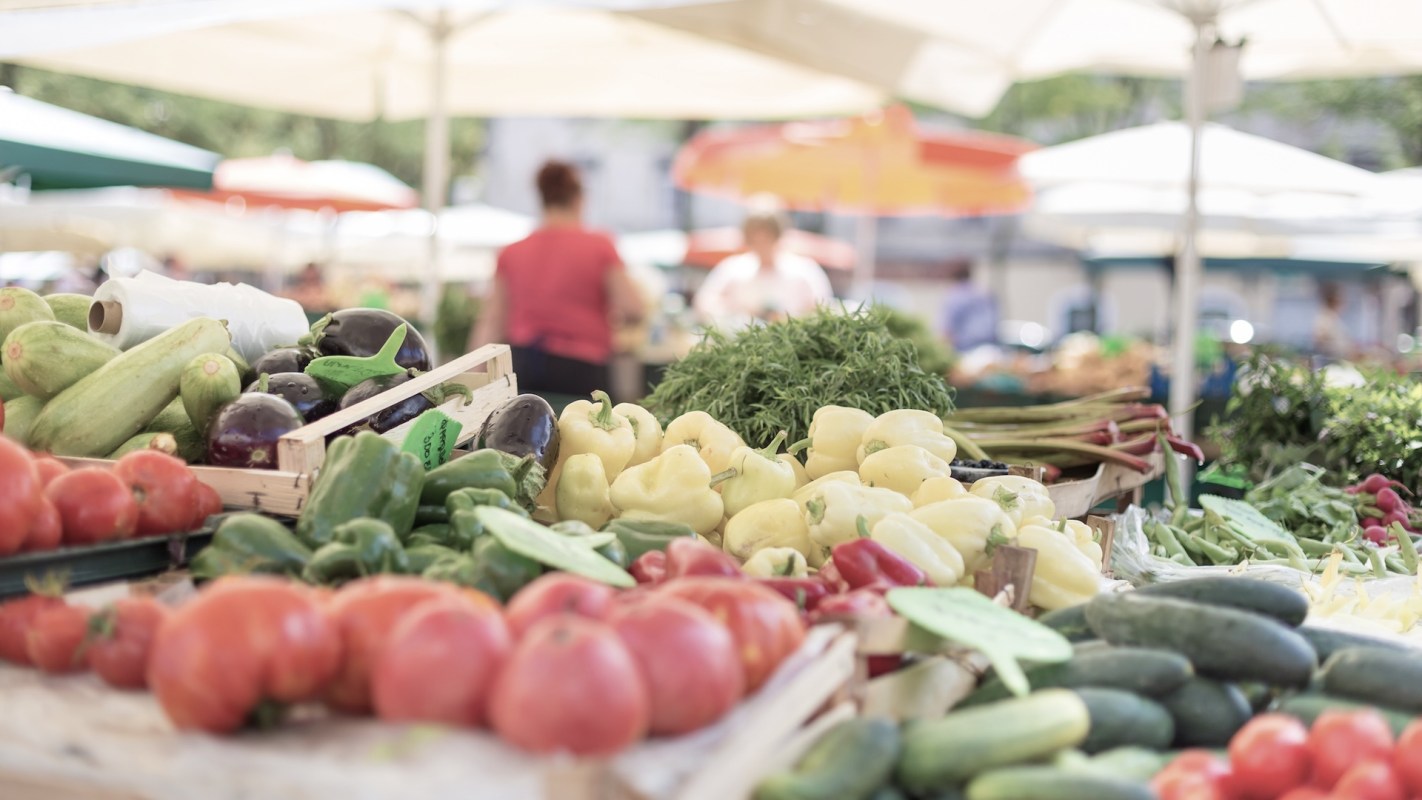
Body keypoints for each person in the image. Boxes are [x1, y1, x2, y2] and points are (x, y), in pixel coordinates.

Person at [470, 159, 643, 396]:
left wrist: (474, 380)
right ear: (578, 199)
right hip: (583, 369)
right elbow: (633, 308)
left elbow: (491, 322)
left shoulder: (512, 252)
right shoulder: (600, 246)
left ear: (542, 198)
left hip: (524, 365)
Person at [692, 200, 834, 326]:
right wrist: (737, 310)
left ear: (778, 235)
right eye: (755, 238)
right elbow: (704, 303)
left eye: (767, 236)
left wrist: (790, 320)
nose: (762, 243)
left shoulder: (804, 271)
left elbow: (822, 310)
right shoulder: (732, 269)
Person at [938, 261, 998, 351]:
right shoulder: (985, 292)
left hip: (965, 350)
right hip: (990, 347)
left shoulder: (954, 295)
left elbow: (947, 329)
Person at [1313, 281, 1352, 360]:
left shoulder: (1333, 316)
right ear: (1333, 299)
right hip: (1331, 359)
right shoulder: (1324, 318)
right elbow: (1319, 341)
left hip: (1340, 358)